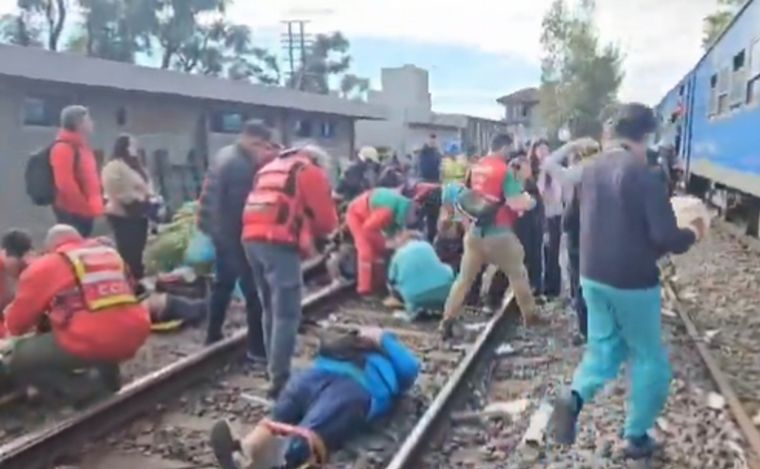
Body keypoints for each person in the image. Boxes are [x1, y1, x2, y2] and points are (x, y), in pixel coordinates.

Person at [550, 104, 704, 460]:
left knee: (605, 348)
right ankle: (636, 437)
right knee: (649, 357)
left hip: (591, 276)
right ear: (646, 137)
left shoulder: (589, 168)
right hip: (633, 282)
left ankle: (572, 398)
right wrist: (694, 231)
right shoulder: (644, 174)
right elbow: (667, 237)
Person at [209, 326, 420, 469]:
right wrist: (380, 338)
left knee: (292, 425)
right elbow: (410, 367)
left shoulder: (374, 353)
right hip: (338, 383)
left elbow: (411, 368)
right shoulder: (368, 353)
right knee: (295, 426)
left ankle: (249, 454)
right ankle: (249, 454)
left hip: (329, 381)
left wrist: (384, 338)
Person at [3, 225, 151, 405]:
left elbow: (17, 326)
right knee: (99, 324)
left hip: (92, 340)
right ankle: (108, 374)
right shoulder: (110, 255)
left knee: (18, 355)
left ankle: (81, 388)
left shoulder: (46, 265)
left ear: (51, 247)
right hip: (135, 334)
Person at [243, 143, 339, 398]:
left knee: (270, 309)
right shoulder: (309, 171)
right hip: (278, 241)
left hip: (251, 239)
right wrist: (322, 237)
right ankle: (279, 379)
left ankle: (273, 369)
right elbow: (327, 220)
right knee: (287, 313)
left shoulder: (271, 167)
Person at [439, 133, 539, 338]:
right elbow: (516, 202)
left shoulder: (476, 167)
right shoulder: (503, 171)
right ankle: (531, 318)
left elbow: (470, 195)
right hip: (499, 233)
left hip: (475, 232)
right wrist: (531, 200)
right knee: (518, 274)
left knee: (464, 279)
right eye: (509, 149)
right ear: (504, 148)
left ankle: (447, 318)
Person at [198, 120, 278, 362]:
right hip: (234, 234)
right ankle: (257, 349)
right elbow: (238, 209)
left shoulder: (226, 154)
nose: (264, 152)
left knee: (223, 284)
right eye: (263, 146)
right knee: (254, 292)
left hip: (218, 230)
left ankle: (212, 335)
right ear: (255, 141)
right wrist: (247, 240)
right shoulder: (241, 166)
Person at [102, 134, 154, 282]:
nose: (135, 149)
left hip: (141, 213)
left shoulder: (137, 166)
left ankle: (137, 279)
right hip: (122, 213)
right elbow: (115, 188)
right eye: (132, 145)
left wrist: (148, 197)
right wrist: (133, 198)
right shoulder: (114, 166)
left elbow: (146, 184)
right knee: (127, 250)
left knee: (138, 250)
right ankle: (126, 280)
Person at [345, 187, 417, 296]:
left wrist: (391, 242)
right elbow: (367, 229)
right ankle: (364, 288)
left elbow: (392, 231)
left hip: (371, 217)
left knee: (382, 249)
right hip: (356, 216)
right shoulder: (387, 212)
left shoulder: (399, 208)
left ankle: (378, 282)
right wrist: (385, 243)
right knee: (366, 251)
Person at [50, 105, 104, 237]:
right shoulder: (64, 148)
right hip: (73, 212)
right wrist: (82, 207)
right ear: (77, 123)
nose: (92, 123)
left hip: (86, 210)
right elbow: (65, 183)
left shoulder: (81, 147)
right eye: (88, 119)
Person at [387, 231, 454, 319]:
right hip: (443, 291)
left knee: (395, 285)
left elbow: (391, 279)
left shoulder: (398, 254)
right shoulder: (427, 246)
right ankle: (441, 308)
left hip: (416, 297)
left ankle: (413, 308)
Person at [513, 146, 544, 296]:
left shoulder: (532, 185)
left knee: (535, 258)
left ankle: (535, 288)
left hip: (534, 227)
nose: (528, 170)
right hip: (520, 227)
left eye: (528, 167)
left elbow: (539, 206)